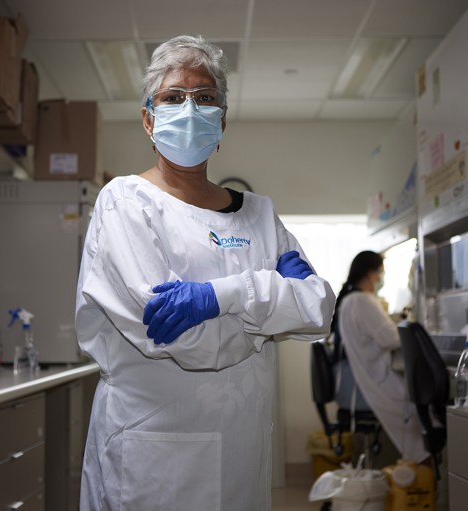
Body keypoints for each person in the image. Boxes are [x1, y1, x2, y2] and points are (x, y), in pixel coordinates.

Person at [74, 35, 336, 510]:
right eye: (173, 97)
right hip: (151, 449)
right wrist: (274, 308)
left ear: (222, 119)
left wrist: (221, 298)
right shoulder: (125, 202)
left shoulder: (258, 213)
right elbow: (184, 342)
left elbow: (318, 310)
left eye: (205, 97)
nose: (190, 109)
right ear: (148, 118)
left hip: (242, 447)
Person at [332, 251, 430, 464]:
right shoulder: (363, 301)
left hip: (360, 381)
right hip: (377, 379)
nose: (381, 278)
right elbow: (391, 339)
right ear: (370, 273)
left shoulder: (350, 300)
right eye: (381, 272)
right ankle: (425, 473)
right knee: (418, 414)